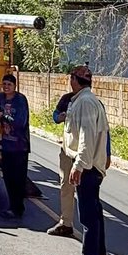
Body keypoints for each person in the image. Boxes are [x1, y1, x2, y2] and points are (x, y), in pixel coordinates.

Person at [61, 64, 110, 255]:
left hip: (88, 168)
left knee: (88, 217)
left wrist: (79, 165)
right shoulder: (84, 100)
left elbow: (86, 137)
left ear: (75, 80)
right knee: (95, 215)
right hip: (89, 165)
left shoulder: (86, 103)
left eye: (71, 78)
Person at [0, 73, 30, 221]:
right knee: (9, 178)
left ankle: (18, 208)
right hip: (7, 145)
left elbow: (20, 122)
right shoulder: (2, 98)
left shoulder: (20, 100)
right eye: (4, 84)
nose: (6, 87)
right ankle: (12, 207)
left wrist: (3, 115)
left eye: (9, 85)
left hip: (19, 146)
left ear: (15, 86)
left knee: (18, 179)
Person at [47, 85, 75, 236]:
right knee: (66, 185)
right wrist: (59, 117)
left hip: (85, 153)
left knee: (85, 190)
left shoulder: (91, 104)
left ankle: (89, 228)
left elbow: (103, 129)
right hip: (68, 151)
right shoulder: (67, 99)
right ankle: (66, 223)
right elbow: (55, 115)